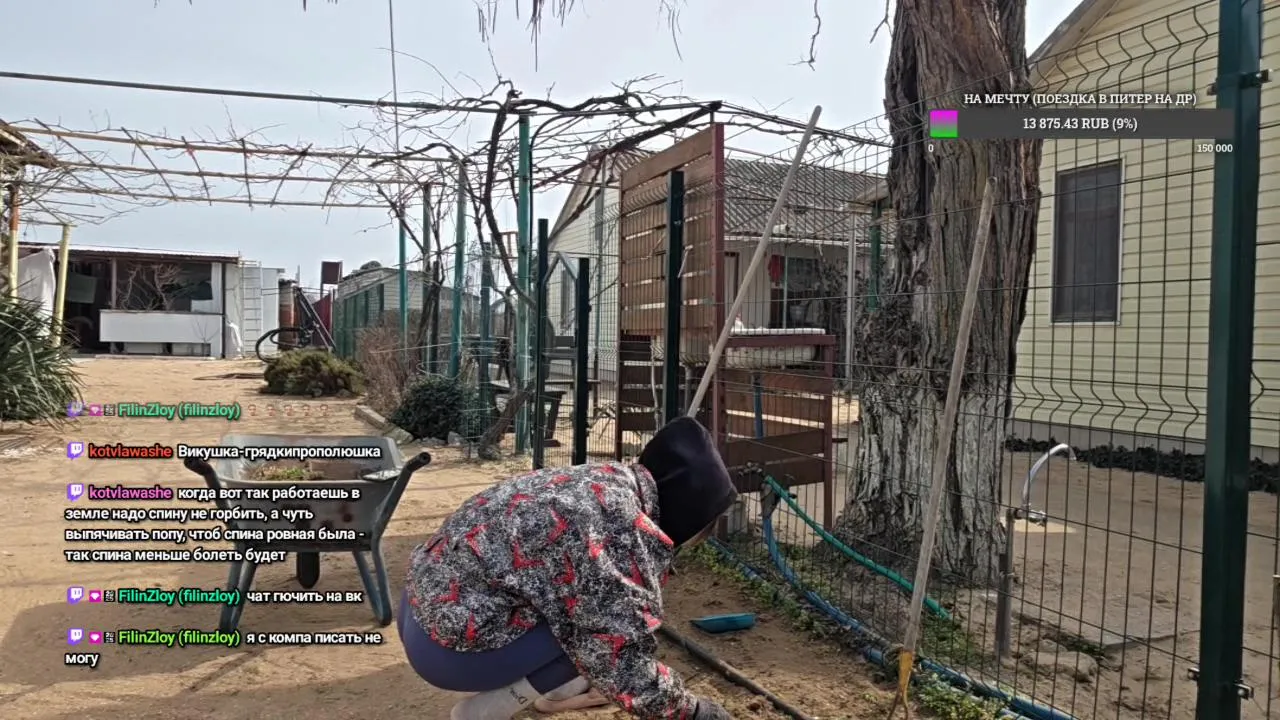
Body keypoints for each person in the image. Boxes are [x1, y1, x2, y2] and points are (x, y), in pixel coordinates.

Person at [399, 416, 739, 719]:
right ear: (688, 510)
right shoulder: (619, 528)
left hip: (418, 606)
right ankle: (484, 711)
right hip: (443, 652)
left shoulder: (607, 479)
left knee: (573, 604)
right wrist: (693, 711)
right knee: (594, 638)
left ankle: (557, 691)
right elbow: (620, 660)